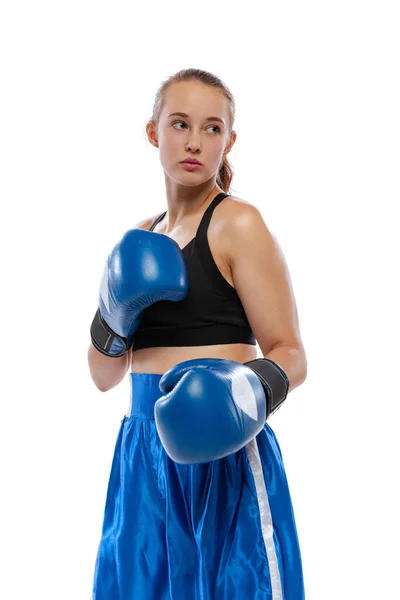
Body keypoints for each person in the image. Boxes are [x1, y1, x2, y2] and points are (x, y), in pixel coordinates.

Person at [88, 68, 308, 600]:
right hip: (141, 447)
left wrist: (243, 392)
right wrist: (115, 316)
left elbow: (292, 354)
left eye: (212, 129)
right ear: (153, 131)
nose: (194, 141)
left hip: (223, 442)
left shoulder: (239, 224)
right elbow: (102, 375)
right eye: (180, 124)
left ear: (229, 141)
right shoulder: (138, 238)